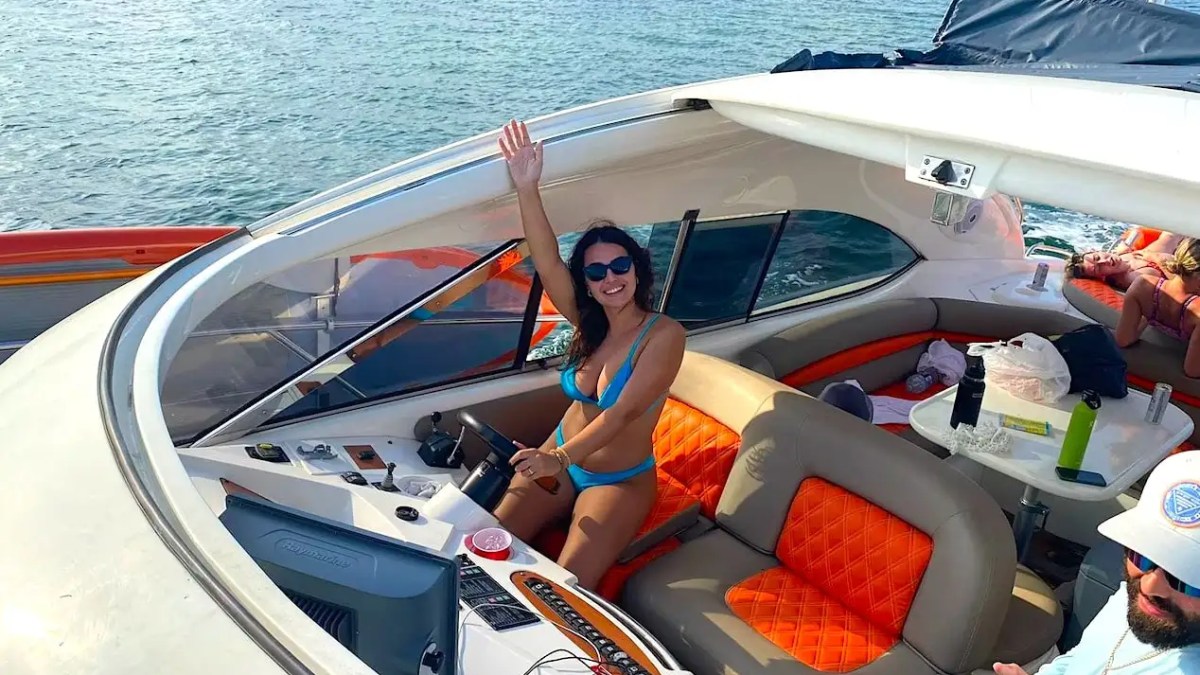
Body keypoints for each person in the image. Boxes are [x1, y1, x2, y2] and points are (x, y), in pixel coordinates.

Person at [490, 119, 686, 590]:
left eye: (620, 265)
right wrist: (526, 186)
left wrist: (556, 457)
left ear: (637, 269)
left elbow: (620, 414)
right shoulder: (588, 322)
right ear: (588, 283)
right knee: (485, 544)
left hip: (617, 481)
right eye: (596, 272)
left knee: (565, 589)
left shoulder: (665, 335)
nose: (609, 278)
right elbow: (547, 258)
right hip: (558, 456)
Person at [993, 451, 1200, 674]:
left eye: (1184, 576)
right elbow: (1080, 659)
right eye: (1143, 555)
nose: (1150, 586)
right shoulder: (1138, 600)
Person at [1116, 238, 1200, 378]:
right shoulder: (1197, 311)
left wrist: (1147, 315)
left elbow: (1123, 339)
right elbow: (1192, 370)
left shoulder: (1142, 286)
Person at [1066, 232, 1186, 291]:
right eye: (1099, 268)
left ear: (1095, 251)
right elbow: (1183, 286)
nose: (1105, 261)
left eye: (1097, 257)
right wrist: (1156, 258)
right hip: (1189, 263)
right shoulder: (1134, 278)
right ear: (1101, 277)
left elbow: (1137, 233)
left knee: (1170, 234)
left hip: (1179, 241)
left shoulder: (1119, 258)